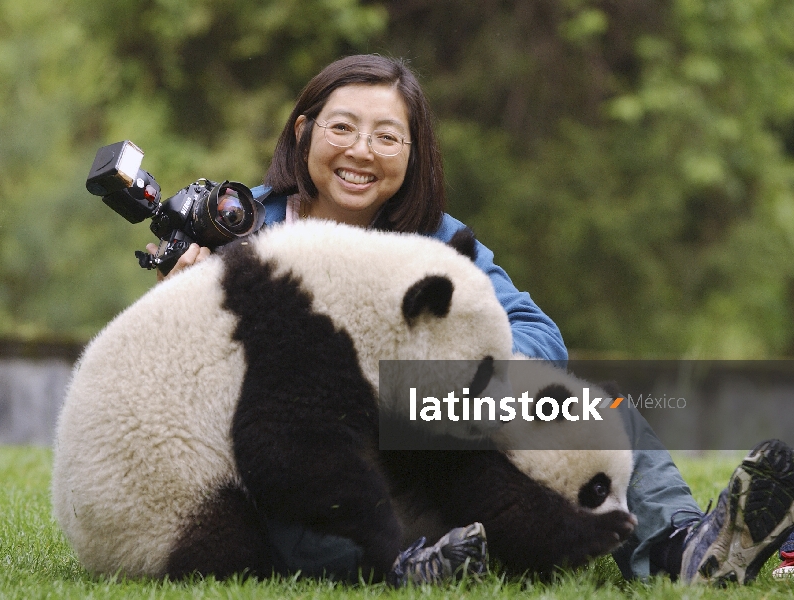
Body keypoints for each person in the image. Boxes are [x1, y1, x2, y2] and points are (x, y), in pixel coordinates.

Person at [149, 54, 794, 585]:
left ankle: (686, 547)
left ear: (412, 153)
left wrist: (452, 377)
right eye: (342, 128)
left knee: (589, 409)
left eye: (388, 136)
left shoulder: (436, 236)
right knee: (294, 476)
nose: (362, 152)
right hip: (311, 440)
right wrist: (180, 302)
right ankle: (407, 568)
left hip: (420, 412)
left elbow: (542, 339)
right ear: (303, 133)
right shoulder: (238, 233)